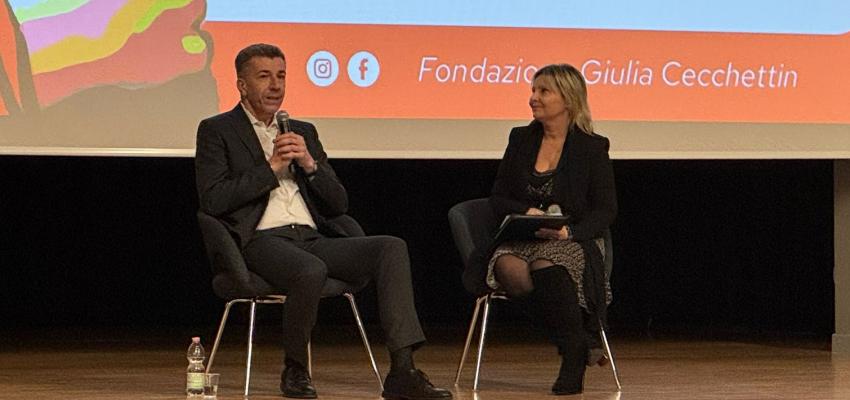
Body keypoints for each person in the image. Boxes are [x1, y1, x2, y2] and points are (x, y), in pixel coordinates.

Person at [194, 43, 452, 400]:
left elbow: (337, 203)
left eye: (281, 76)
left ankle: (403, 370)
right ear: (241, 85)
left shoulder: (303, 131)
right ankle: (296, 369)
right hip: (261, 239)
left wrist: (310, 165)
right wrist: (271, 168)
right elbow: (213, 199)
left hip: (312, 237)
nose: (275, 86)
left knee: (390, 247)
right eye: (264, 76)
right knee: (310, 270)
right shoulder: (218, 130)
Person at [485, 64, 617, 395]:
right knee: (509, 268)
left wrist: (569, 233)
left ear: (568, 99)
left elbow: (605, 209)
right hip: (524, 237)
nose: (533, 98)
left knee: (546, 265)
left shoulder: (591, 147)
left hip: (572, 239)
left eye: (543, 91)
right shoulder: (520, 138)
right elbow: (498, 197)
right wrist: (525, 212)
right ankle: (578, 341)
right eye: (533, 90)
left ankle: (572, 356)